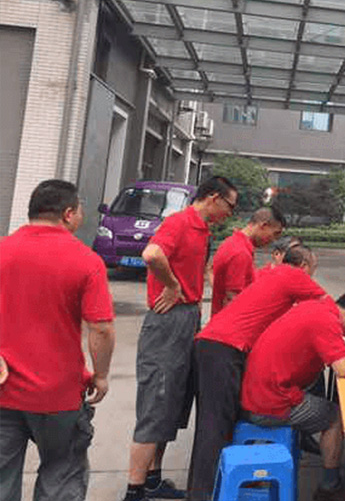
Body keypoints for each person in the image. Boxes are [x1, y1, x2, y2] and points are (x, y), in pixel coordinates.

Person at [123, 175, 238, 501]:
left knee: (173, 402)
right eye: (229, 206)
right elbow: (152, 254)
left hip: (187, 318)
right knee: (156, 402)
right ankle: (134, 490)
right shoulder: (180, 222)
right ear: (213, 197)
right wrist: (173, 286)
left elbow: (194, 267)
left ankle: (153, 479)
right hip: (168, 321)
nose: (230, 213)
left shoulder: (202, 230)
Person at [0, 179, 116, 501]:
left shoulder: (2, 250)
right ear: (68, 214)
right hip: (58, 394)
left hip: (3, 389)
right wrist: (101, 375)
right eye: (80, 210)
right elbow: (101, 328)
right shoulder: (85, 261)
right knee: (61, 475)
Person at [186, 245, 327, 500]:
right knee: (215, 425)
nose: (312, 276)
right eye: (313, 270)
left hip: (215, 343)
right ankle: (202, 495)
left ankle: (221, 483)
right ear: (305, 266)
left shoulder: (272, 274)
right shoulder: (294, 275)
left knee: (218, 421)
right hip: (224, 348)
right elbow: (328, 307)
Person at [240, 291, 345, 492]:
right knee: (335, 416)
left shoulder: (318, 308)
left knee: (319, 386)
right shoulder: (326, 321)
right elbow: (343, 368)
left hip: (256, 391)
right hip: (269, 402)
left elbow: (334, 350)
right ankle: (330, 485)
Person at [210, 206, 286, 315]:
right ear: (263, 225)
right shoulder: (240, 253)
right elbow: (232, 299)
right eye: (275, 234)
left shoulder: (232, 242)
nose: (273, 240)